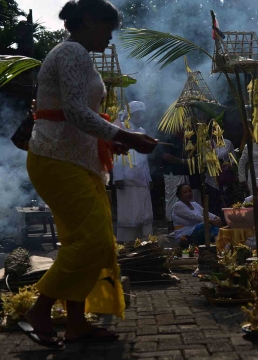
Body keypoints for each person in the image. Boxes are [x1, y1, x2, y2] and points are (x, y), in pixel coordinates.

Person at [20, 0, 157, 348]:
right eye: (108, 27)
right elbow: (77, 112)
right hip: (57, 160)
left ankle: (77, 323)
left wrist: (109, 141)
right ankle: (40, 310)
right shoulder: (72, 53)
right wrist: (126, 136)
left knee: (85, 242)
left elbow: (77, 117)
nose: (110, 37)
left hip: (74, 161)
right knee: (91, 241)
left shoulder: (77, 56)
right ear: (90, 21)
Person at [113, 101, 153, 243]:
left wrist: (149, 178)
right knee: (129, 214)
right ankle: (127, 243)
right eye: (137, 114)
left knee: (144, 212)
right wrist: (117, 177)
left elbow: (144, 157)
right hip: (127, 180)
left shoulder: (141, 131)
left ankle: (146, 242)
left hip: (141, 179)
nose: (140, 116)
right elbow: (117, 154)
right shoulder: (122, 129)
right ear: (130, 115)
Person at [162, 129, 202, 232]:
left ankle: (184, 224)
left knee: (186, 198)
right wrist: (183, 161)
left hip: (185, 173)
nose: (183, 127)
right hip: (173, 173)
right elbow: (166, 156)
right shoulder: (169, 139)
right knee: (172, 199)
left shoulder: (187, 139)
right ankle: (171, 224)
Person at [205, 137, 236, 217]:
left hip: (225, 177)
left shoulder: (228, 143)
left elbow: (233, 158)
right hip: (211, 179)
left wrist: (229, 164)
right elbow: (203, 160)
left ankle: (228, 221)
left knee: (227, 202)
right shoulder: (206, 144)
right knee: (214, 204)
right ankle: (216, 224)